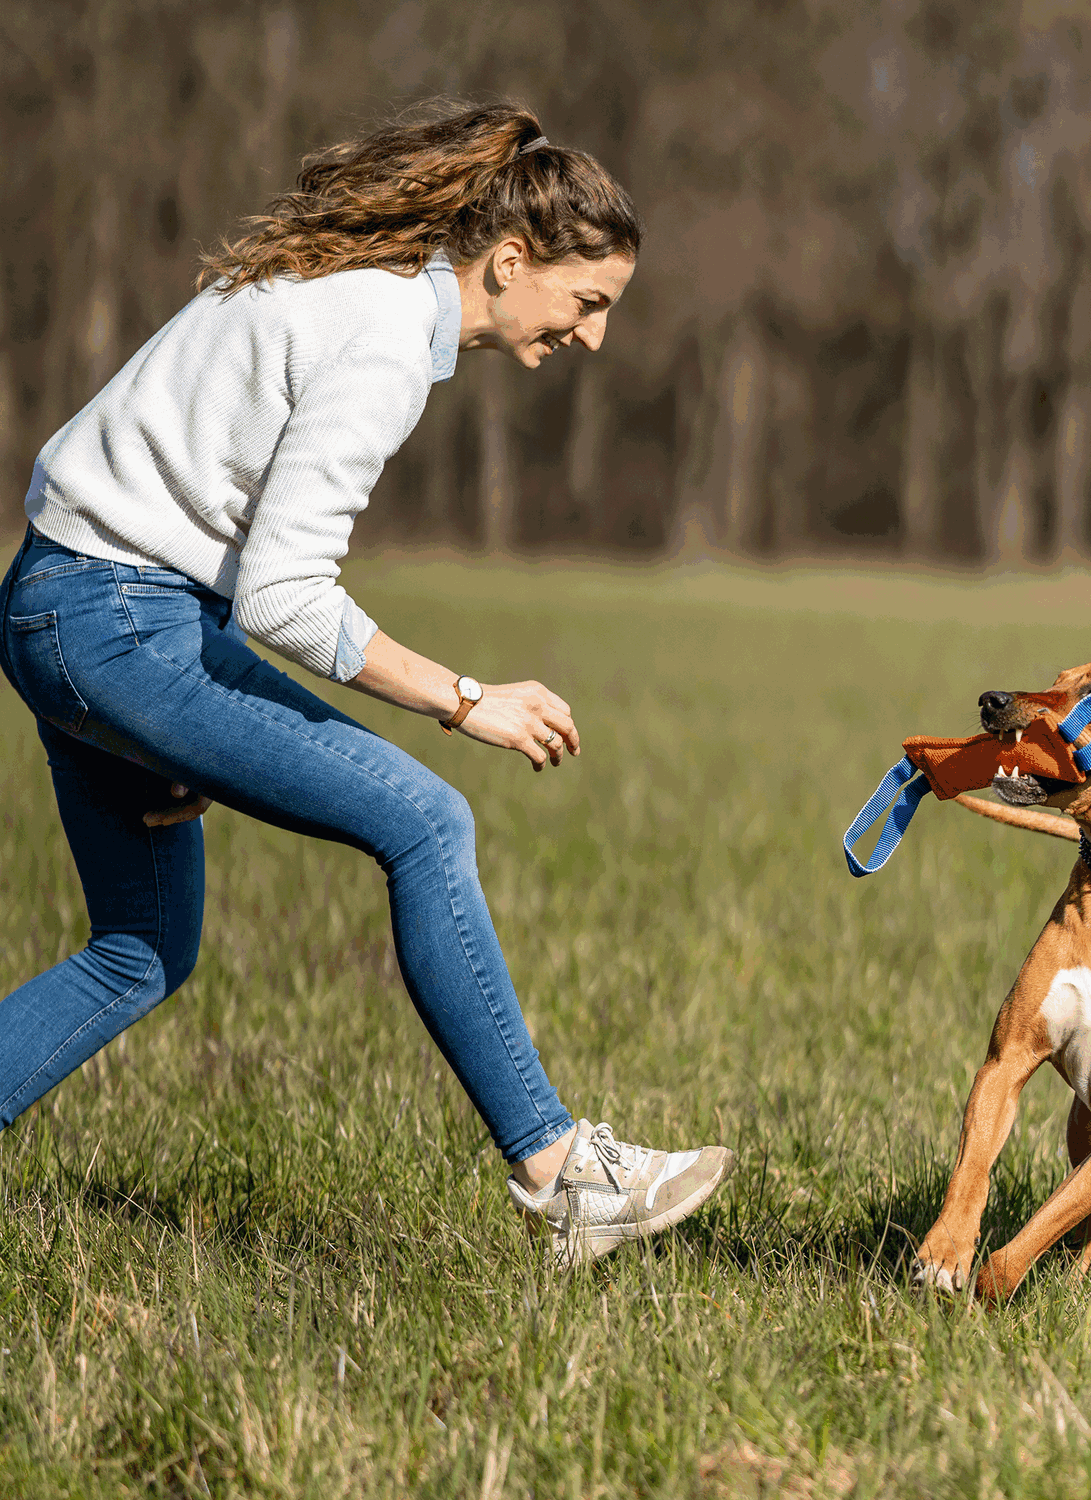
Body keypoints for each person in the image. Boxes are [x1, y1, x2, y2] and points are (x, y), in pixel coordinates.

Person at [0, 101, 732, 1266]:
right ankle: (558, 1172)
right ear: (509, 262)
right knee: (428, 819)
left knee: (143, 947)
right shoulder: (386, 336)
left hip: (66, 600)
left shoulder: (350, 278)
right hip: (120, 622)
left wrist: (165, 724)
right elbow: (286, 596)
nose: (592, 339)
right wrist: (464, 697)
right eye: (587, 304)